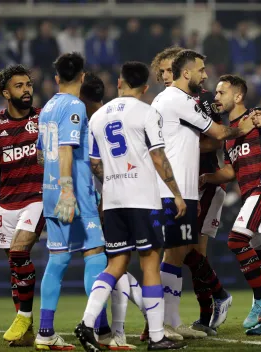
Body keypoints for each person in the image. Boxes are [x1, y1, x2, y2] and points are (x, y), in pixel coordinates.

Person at [74, 61, 186, 351]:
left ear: (120, 82)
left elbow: (95, 163)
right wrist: (176, 193)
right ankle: (158, 337)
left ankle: (86, 323)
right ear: (146, 87)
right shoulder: (148, 112)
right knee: (150, 263)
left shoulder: (98, 117)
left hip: (113, 201)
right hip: (142, 200)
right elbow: (159, 158)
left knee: (116, 264)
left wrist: (112, 180)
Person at [151, 49, 254, 339]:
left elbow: (215, 138)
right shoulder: (174, 100)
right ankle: (181, 315)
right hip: (180, 187)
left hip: (204, 185)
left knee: (186, 252)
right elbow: (212, 136)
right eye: (161, 73)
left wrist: (229, 132)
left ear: (179, 70)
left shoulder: (202, 100)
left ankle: (198, 313)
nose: (164, 76)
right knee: (178, 253)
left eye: (168, 70)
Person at [200, 74, 261, 335]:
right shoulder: (230, 133)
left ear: (237, 96)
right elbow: (231, 171)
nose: (216, 97)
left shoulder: (256, 117)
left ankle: (260, 298)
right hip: (252, 192)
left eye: (220, 92)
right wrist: (205, 178)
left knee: (236, 240)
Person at [35, 52, 108, 350]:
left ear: (55, 79)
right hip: (73, 194)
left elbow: (42, 155)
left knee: (59, 258)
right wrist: (68, 189)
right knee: (95, 253)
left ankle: (45, 331)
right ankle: (98, 329)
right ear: (82, 76)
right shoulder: (75, 106)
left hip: (50, 192)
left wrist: (55, 185)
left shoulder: (46, 108)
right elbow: (66, 149)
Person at [80, 71, 139, 350]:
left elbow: (96, 165)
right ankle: (126, 328)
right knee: (118, 267)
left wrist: (108, 192)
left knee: (115, 267)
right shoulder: (111, 117)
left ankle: (116, 332)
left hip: (103, 203)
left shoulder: (93, 121)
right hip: (113, 199)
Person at [0, 65, 44, 347]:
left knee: (18, 252)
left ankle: (24, 317)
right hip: (6, 203)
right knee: (16, 267)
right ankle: (25, 331)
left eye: (28, 84)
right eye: (19, 86)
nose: (26, 90)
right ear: (5, 92)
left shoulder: (43, 118)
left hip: (36, 197)